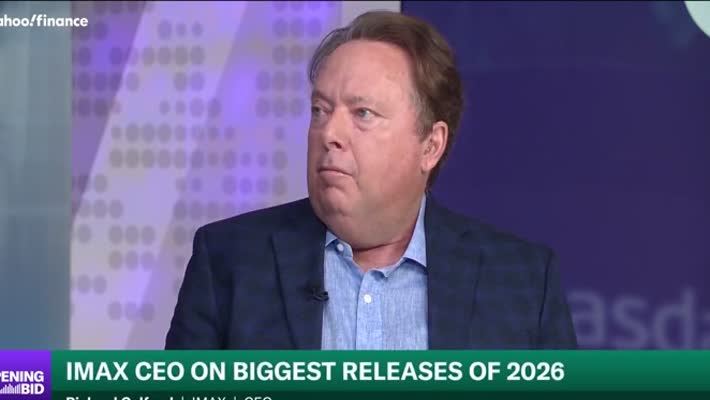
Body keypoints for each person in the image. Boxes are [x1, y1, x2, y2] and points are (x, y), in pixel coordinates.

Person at [165, 10, 577, 350]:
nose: (329, 133)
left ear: (430, 145)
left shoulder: (522, 281)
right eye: (320, 110)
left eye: (362, 113)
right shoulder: (229, 263)